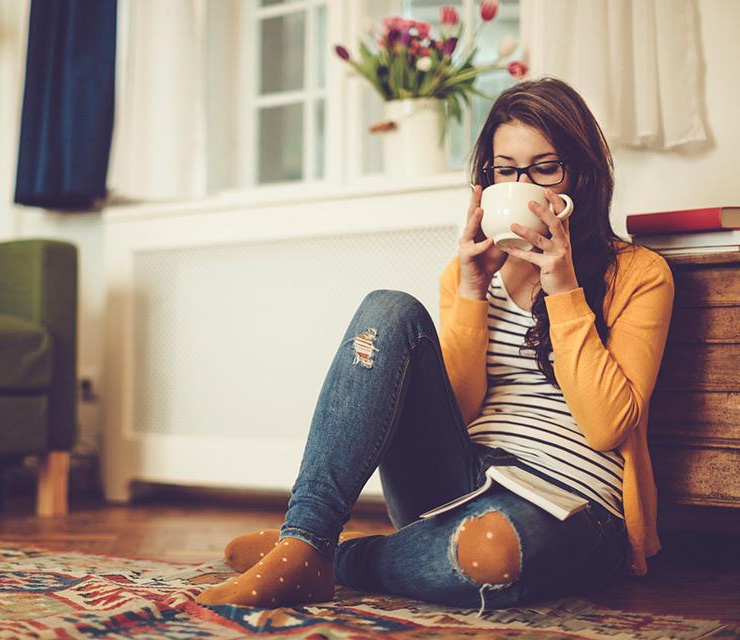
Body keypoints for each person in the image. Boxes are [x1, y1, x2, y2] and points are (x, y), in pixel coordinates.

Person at [195, 77, 674, 613]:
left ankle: (334, 558)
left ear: (580, 174)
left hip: (571, 505)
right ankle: (305, 536)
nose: (525, 184)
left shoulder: (638, 273)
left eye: (545, 167)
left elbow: (608, 426)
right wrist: (472, 291)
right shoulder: (469, 276)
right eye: (506, 169)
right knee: (387, 309)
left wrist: (562, 288)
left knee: (490, 555)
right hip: (458, 479)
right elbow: (460, 407)